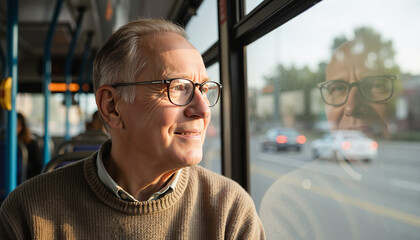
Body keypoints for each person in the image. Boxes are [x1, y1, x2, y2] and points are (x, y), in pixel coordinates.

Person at [0, 19, 265, 239]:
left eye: (204, 89)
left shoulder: (229, 211)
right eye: (178, 87)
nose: (204, 109)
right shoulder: (28, 212)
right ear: (112, 106)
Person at [259, 38, 399, 239]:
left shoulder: (377, 191)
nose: (353, 107)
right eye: (337, 89)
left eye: (374, 86)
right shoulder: (287, 200)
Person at [17, 112, 42, 180]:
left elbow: (38, 167)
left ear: (23, 126)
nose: (14, 128)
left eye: (17, 125)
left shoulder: (31, 143)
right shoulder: (4, 142)